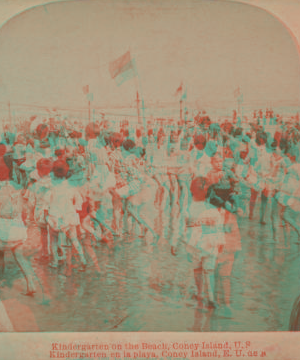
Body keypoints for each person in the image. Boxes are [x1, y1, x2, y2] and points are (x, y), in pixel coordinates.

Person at [0, 144, 36, 295]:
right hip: (18, 227)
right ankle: (31, 284)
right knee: (20, 256)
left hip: (4, 228)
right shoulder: (17, 185)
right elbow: (23, 208)